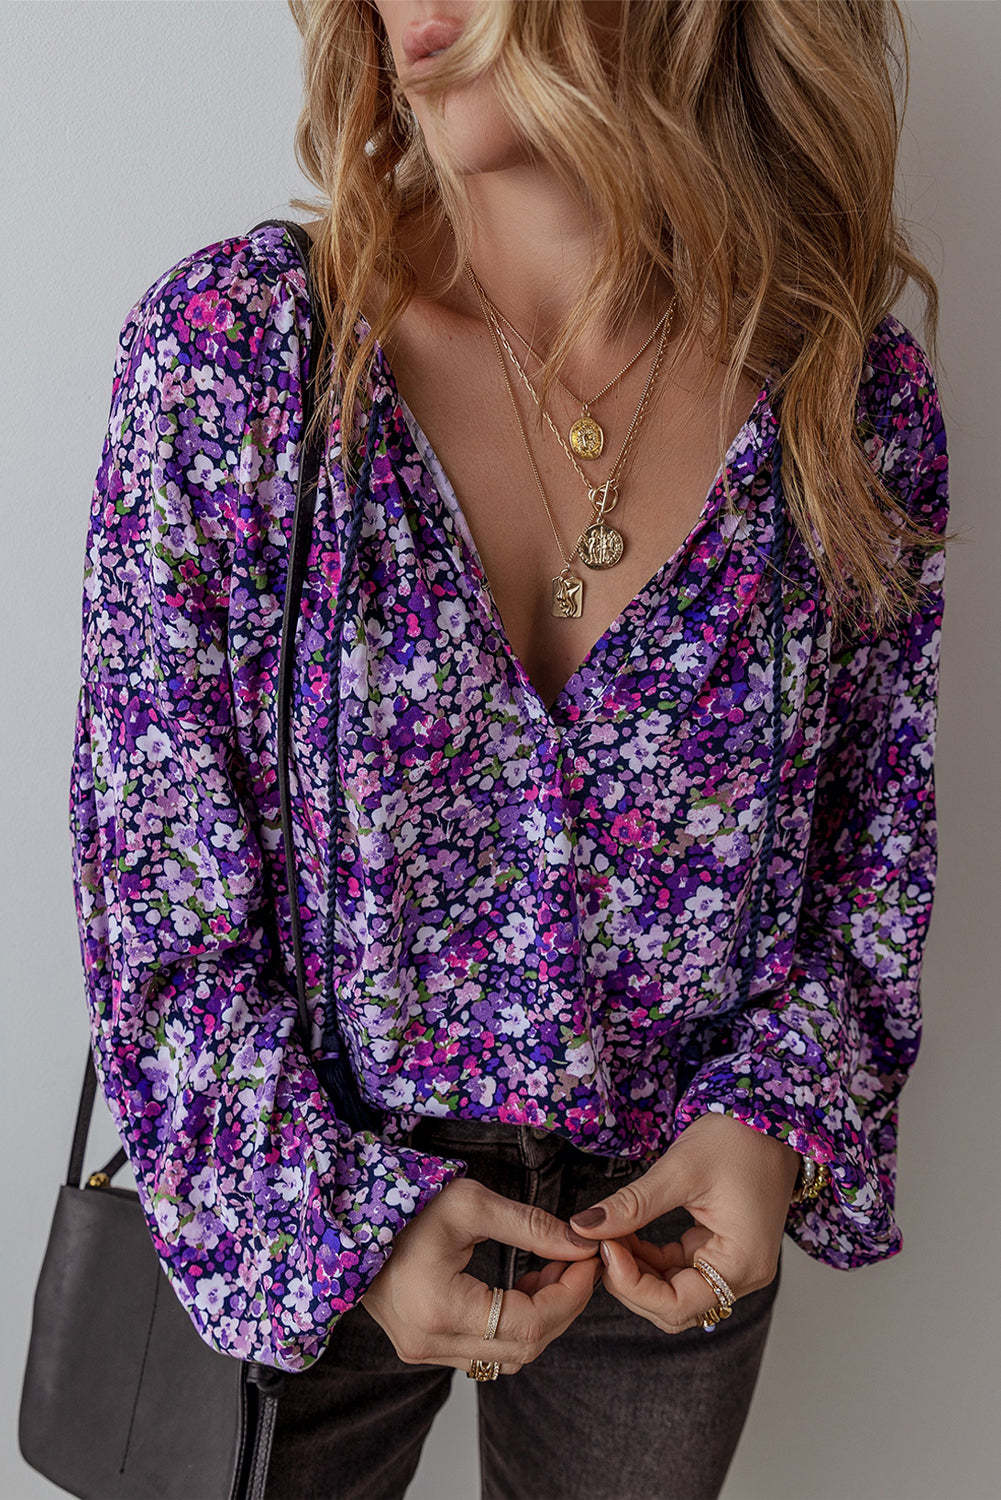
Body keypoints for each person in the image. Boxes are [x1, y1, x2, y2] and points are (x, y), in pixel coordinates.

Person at [68, 2, 951, 1496]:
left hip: (670, 1220)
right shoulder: (240, 358)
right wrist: (330, 1217)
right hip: (291, 1205)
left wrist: (779, 1120)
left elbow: (876, 855)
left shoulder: (841, 403)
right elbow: (149, 890)